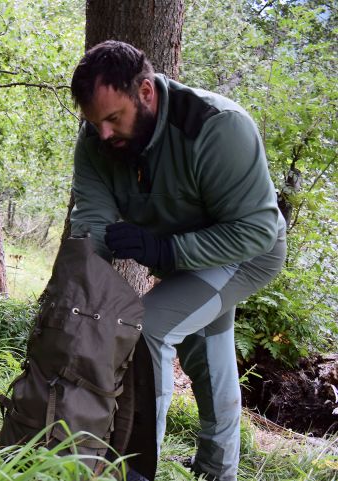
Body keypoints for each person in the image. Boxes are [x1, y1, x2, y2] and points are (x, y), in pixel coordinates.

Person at [68, 40, 286, 481]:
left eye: (114, 118)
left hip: (246, 255)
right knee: (209, 358)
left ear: (145, 92)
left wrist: (167, 251)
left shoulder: (216, 126)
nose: (104, 133)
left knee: (147, 330)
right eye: (95, 122)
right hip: (185, 259)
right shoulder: (98, 138)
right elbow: (91, 220)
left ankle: (133, 469)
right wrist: (76, 286)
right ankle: (217, 470)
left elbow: (257, 229)